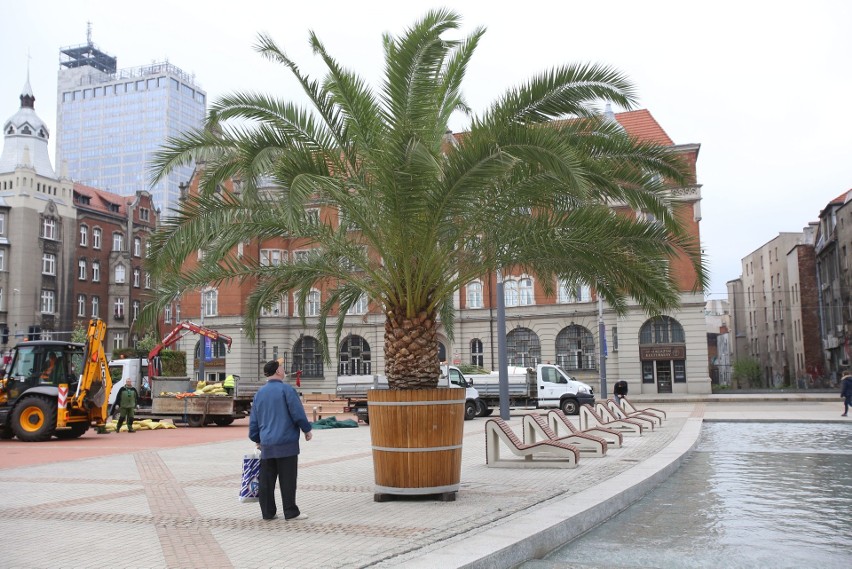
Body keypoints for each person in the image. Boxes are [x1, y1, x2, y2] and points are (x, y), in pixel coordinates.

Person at [249, 359, 313, 521]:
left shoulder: (259, 394)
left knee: (267, 481)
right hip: (286, 443)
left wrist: (257, 438)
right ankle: (290, 512)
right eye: (282, 368)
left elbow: (254, 421)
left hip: (267, 444)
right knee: (288, 479)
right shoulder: (287, 390)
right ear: (277, 371)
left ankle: (268, 513)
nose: (284, 370)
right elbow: (297, 413)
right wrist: (306, 429)